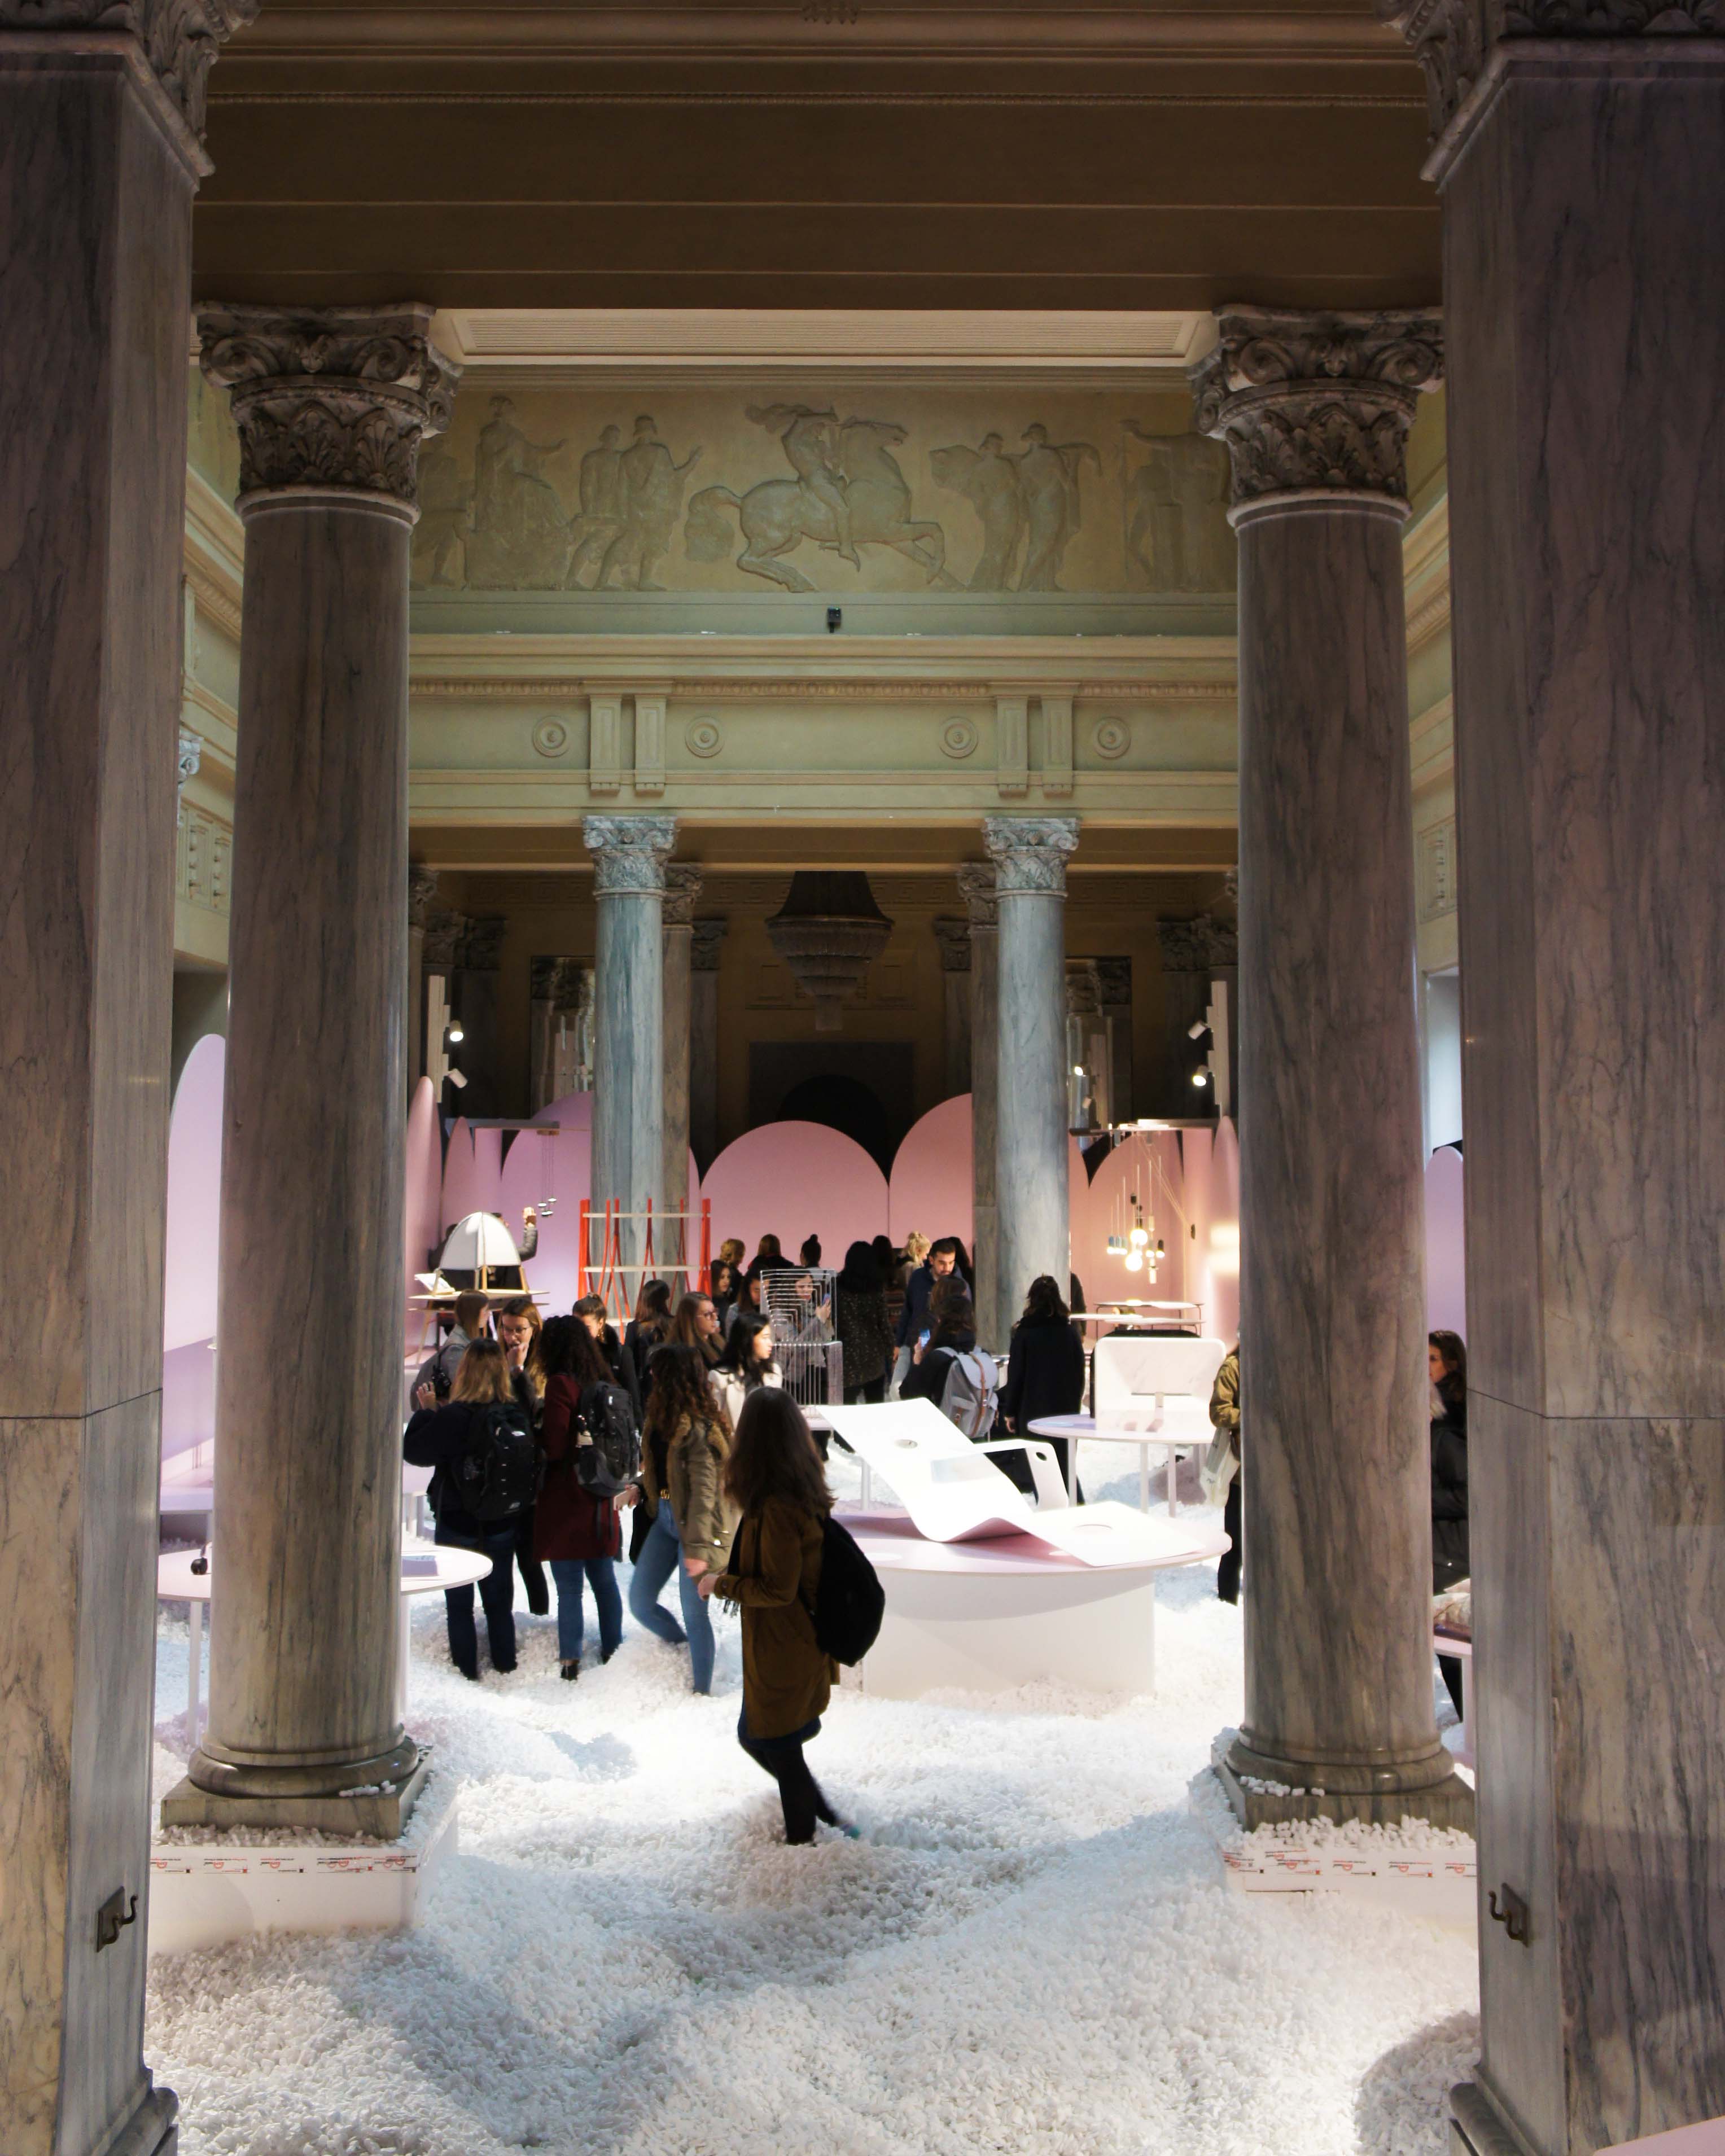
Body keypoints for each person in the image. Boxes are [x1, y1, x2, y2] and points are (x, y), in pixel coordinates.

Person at [700, 1389, 853, 1845]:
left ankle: (805, 1844)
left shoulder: (778, 1507)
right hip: (783, 1644)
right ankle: (826, 1819)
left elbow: (777, 1589)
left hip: (785, 1648)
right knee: (765, 1740)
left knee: (777, 1747)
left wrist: (719, 1585)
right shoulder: (788, 1493)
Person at [403, 1338, 531, 1680]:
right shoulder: (514, 1413)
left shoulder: (454, 1416)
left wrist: (428, 1411)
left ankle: (467, 1674)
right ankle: (505, 1668)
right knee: (500, 1604)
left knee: (459, 1607)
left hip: (457, 1521)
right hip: (502, 1520)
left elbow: (414, 1451)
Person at [628, 1343, 737, 1694]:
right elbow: (661, 1470)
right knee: (640, 1602)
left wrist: (700, 1549)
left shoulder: (700, 1428)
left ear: (672, 1377)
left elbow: (705, 1494)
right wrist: (638, 1487)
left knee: (695, 1612)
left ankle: (701, 1690)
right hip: (664, 1518)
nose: (651, 1376)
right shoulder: (659, 1417)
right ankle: (679, 1650)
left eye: (657, 1371)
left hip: (694, 1527)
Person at [535, 1315, 628, 1680]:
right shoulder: (603, 1380)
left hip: (568, 1495)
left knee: (570, 1587)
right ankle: (613, 1650)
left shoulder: (560, 1384)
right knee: (605, 1580)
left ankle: (571, 1661)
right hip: (601, 1492)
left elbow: (556, 1445)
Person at [998, 1274, 1087, 1498]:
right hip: (1065, 1412)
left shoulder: (1025, 1334)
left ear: (1032, 1300)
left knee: (1040, 1467)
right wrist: (1074, 1406)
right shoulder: (1070, 1333)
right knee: (1065, 1466)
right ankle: (1075, 1506)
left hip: (1032, 1413)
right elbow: (1079, 1375)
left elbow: (1016, 1376)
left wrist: (1010, 1411)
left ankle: (1051, 1507)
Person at [494, 1294, 551, 1618]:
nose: (512, 1337)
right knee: (501, 1556)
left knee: (530, 1557)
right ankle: (505, 1621)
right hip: (503, 1463)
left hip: (533, 1469)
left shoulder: (542, 1365)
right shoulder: (496, 1360)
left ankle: (539, 1619)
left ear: (534, 1329)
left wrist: (518, 1372)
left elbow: (537, 1415)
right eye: (506, 1329)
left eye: (519, 1329)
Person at [1430, 1329, 1469, 1716]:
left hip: (1451, 1551)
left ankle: (1470, 1724)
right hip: (1441, 1549)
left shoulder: (1448, 1427)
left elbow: (1467, 1495)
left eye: (1433, 1359)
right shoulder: (1437, 1421)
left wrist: (1418, 1499)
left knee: (1453, 1647)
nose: (1425, 1367)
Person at [900, 1282, 993, 1436]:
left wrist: (917, 1362)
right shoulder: (983, 1355)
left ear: (940, 1321)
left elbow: (907, 1395)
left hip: (942, 1436)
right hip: (977, 1433)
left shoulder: (937, 1358)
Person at [892, 1234, 957, 1393]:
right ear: (931, 1260)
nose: (947, 1268)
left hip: (941, 1349)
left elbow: (964, 1319)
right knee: (896, 1390)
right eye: (942, 1263)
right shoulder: (918, 1277)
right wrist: (899, 1343)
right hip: (913, 1343)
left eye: (951, 1263)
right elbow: (908, 1311)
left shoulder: (958, 1284)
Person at [834, 1239, 894, 1405]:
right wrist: (890, 1350)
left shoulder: (837, 1287)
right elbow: (884, 1324)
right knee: (875, 1407)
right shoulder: (876, 1289)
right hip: (874, 1356)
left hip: (846, 1356)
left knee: (847, 1410)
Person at [1208, 1346, 1242, 1605]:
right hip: (1240, 1469)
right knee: (1235, 1541)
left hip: (1270, 1468)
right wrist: (1251, 1415)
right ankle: (1226, 1599)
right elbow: (1219, 1412)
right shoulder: (1234, 1367)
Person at [575, 1292, 642, 1422]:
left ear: (600, 1324)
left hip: (612, 1424)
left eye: (587, 1328)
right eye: (577, 1327)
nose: (581, 1333)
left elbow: (633, 1397)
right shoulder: (570, 1354)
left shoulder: (620, 1354)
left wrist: (638, 1427)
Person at [413, 1289, 489, 1401]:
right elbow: (460, 1390)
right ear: (475, 1313)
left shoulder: (465, 1340)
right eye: (486, 1311)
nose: (488, 1315)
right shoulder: (456, 1348)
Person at [715, 1311, 782, 1429]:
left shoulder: (774, 1372)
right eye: (765, 1338)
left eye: (769, 1338)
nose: (770, 1344)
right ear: (748, 1340)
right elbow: (716, 1423)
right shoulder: (720, 1377)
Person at [624, 1278, 675, 1406]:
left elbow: (629, 1362)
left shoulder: (635, 1327)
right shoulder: (675, 1324)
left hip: (645, 1389)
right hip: (672, 1385)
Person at [671, 1289, 725, 1368]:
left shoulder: (718, 1343)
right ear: (691, 1319)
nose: (715, 1317)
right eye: (707, 1314)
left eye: (715, 1311)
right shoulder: (683, 1354)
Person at [709, 1259, 741, 1334]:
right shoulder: (709, 1302)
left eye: (728, 1277)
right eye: (722, 1277)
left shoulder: (726, 1299)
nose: (726, 1281)